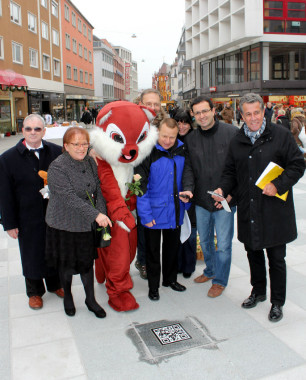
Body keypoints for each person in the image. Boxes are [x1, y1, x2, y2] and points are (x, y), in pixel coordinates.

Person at [213, 93, 305, 322]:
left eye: (256, 112)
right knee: (253, 252)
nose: (253, 118)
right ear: (241, 115)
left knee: (276, 258)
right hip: (248, 207)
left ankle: (277, 302)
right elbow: (230, 172)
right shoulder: (237, 139)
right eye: (248, 114)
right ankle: (258, 291)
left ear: (263, 111)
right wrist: (223, 190)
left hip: (274, 209)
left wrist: (279, 184)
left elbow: (297, 165)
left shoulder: (280, 135)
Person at [45, 127, 112, 317]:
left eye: (85, 143)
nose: (81, 148)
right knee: (65, 264)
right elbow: (68, 197)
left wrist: (101, 211)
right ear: (66, 146)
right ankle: (68, 297)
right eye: (76, 144)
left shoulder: (90, 161)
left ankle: (90, 300)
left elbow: (97, 188)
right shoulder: (57, 167)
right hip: (63, 223)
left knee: (86, 262)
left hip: (84, 223)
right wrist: (96, 215)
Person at [0, 114, 64, 310]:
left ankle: (55, 284)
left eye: (37, 129)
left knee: (54, 249)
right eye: (28, 129)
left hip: (53, 214)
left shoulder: (57, 152)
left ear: (44, 131)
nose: (33, 132)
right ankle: (34, 291)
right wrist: (9, 223)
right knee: (31, 253)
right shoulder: (7, 159)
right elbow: (4, 194)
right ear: (23, 131)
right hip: (26, 216)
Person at [179, 96, 237, 298]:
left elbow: (240, 168)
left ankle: (220, 281)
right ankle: (211, 271)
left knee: (223, 245)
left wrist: (231, 194)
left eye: (205, 111)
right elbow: (188, 169)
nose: (202, 116)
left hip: (225, 201)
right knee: (204, 242)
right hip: (202, 200)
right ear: (193, 115)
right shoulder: (191, 139)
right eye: (197, 113)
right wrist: (188, 189)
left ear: (214, 110)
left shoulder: (232, 133)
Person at [136, 118, 188, 301]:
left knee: (172, 249)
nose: (167, 140)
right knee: (152, 253)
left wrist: (186, 202)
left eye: (172, 137)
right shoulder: (148, 153)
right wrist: (145, 215)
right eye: (164, 136)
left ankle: (170, 280)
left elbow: (187, 178)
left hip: (175, 210)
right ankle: (153, 287)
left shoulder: (182, 150)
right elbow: (140, 187)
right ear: (158, 133)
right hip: (154, 213)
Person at [134, 88, 167, 280]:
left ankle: (153, 258)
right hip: (138, 177)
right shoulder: (133, 122)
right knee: (143, 222)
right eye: (148, 103)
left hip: (160, 179)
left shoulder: (165, 123)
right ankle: (143, 260)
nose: (152, 107)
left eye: (156, 104)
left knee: (157, 223)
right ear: (140, 103)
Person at [173, 109, 197, 278]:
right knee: (175, 229)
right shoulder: (169, 140)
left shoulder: (195, 139)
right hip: (173, 190)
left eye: (185, 122)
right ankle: (177, 263)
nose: (182, 126)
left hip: (191, 190)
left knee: (191, 228)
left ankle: (188, 264)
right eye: (178, 122)